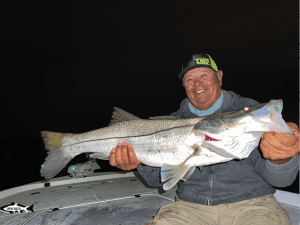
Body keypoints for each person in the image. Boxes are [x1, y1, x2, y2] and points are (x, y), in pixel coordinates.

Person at [109, 53, 299, 225]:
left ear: (220, 77)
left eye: (204, 75)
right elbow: (158, 181)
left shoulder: (247, 113)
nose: (197, 84)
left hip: (253, 206)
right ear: (185, 87)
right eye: (190, 79)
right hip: (189, 207)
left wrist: (281, 158)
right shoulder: (173, 122)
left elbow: (282, 180)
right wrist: (138, 162)